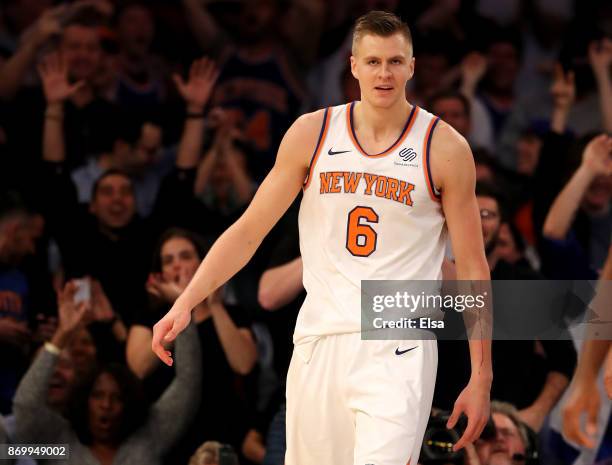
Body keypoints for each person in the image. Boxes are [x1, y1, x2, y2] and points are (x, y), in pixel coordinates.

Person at [153, 11, 492, 465]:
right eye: (373, 62)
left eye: (395, 61)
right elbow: (249, 231)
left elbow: (472, 268)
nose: (384, 73)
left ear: (412, 66)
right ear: (353, 65)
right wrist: (186, 301)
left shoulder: (444, 147)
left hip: (398, 342)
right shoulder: (312, 133)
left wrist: (481, 374)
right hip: (319, 337)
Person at [13, 280, 201, 465]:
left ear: (129, 405)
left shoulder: (149, 440)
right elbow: (25, 409)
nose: (106, 405)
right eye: (97, 395)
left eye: (117, 397)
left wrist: (182, 307)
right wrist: (61, 335)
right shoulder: (60, 446)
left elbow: (188, 382)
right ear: (84, 400)